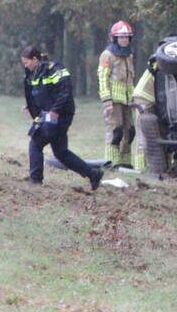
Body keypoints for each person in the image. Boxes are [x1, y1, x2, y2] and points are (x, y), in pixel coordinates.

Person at [21, 45, 102, 190]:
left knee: (36, 143)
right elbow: (38, 93)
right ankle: (93, 174)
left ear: (35, 59)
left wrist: (55, 110)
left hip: (60, 115)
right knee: (61, 152)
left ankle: (35, 181)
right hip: (48, 114)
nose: (25, 66)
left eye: (26, 62)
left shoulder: (54, 69)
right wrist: (32, 106)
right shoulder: (33, 73)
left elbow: (65, 90)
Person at [98, 20, 137, 167]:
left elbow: (130, 79)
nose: (124, 40)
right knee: (116, 132)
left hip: (128, 101)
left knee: (130, 132)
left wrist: (134, 98)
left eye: (127, 37)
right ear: (115, 38)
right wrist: (107, 101)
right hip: (113, 101)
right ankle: (112, 163)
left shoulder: (129, 55)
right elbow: (102, 78)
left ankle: (125, 163)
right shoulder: (107, 55)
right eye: (121, 37)